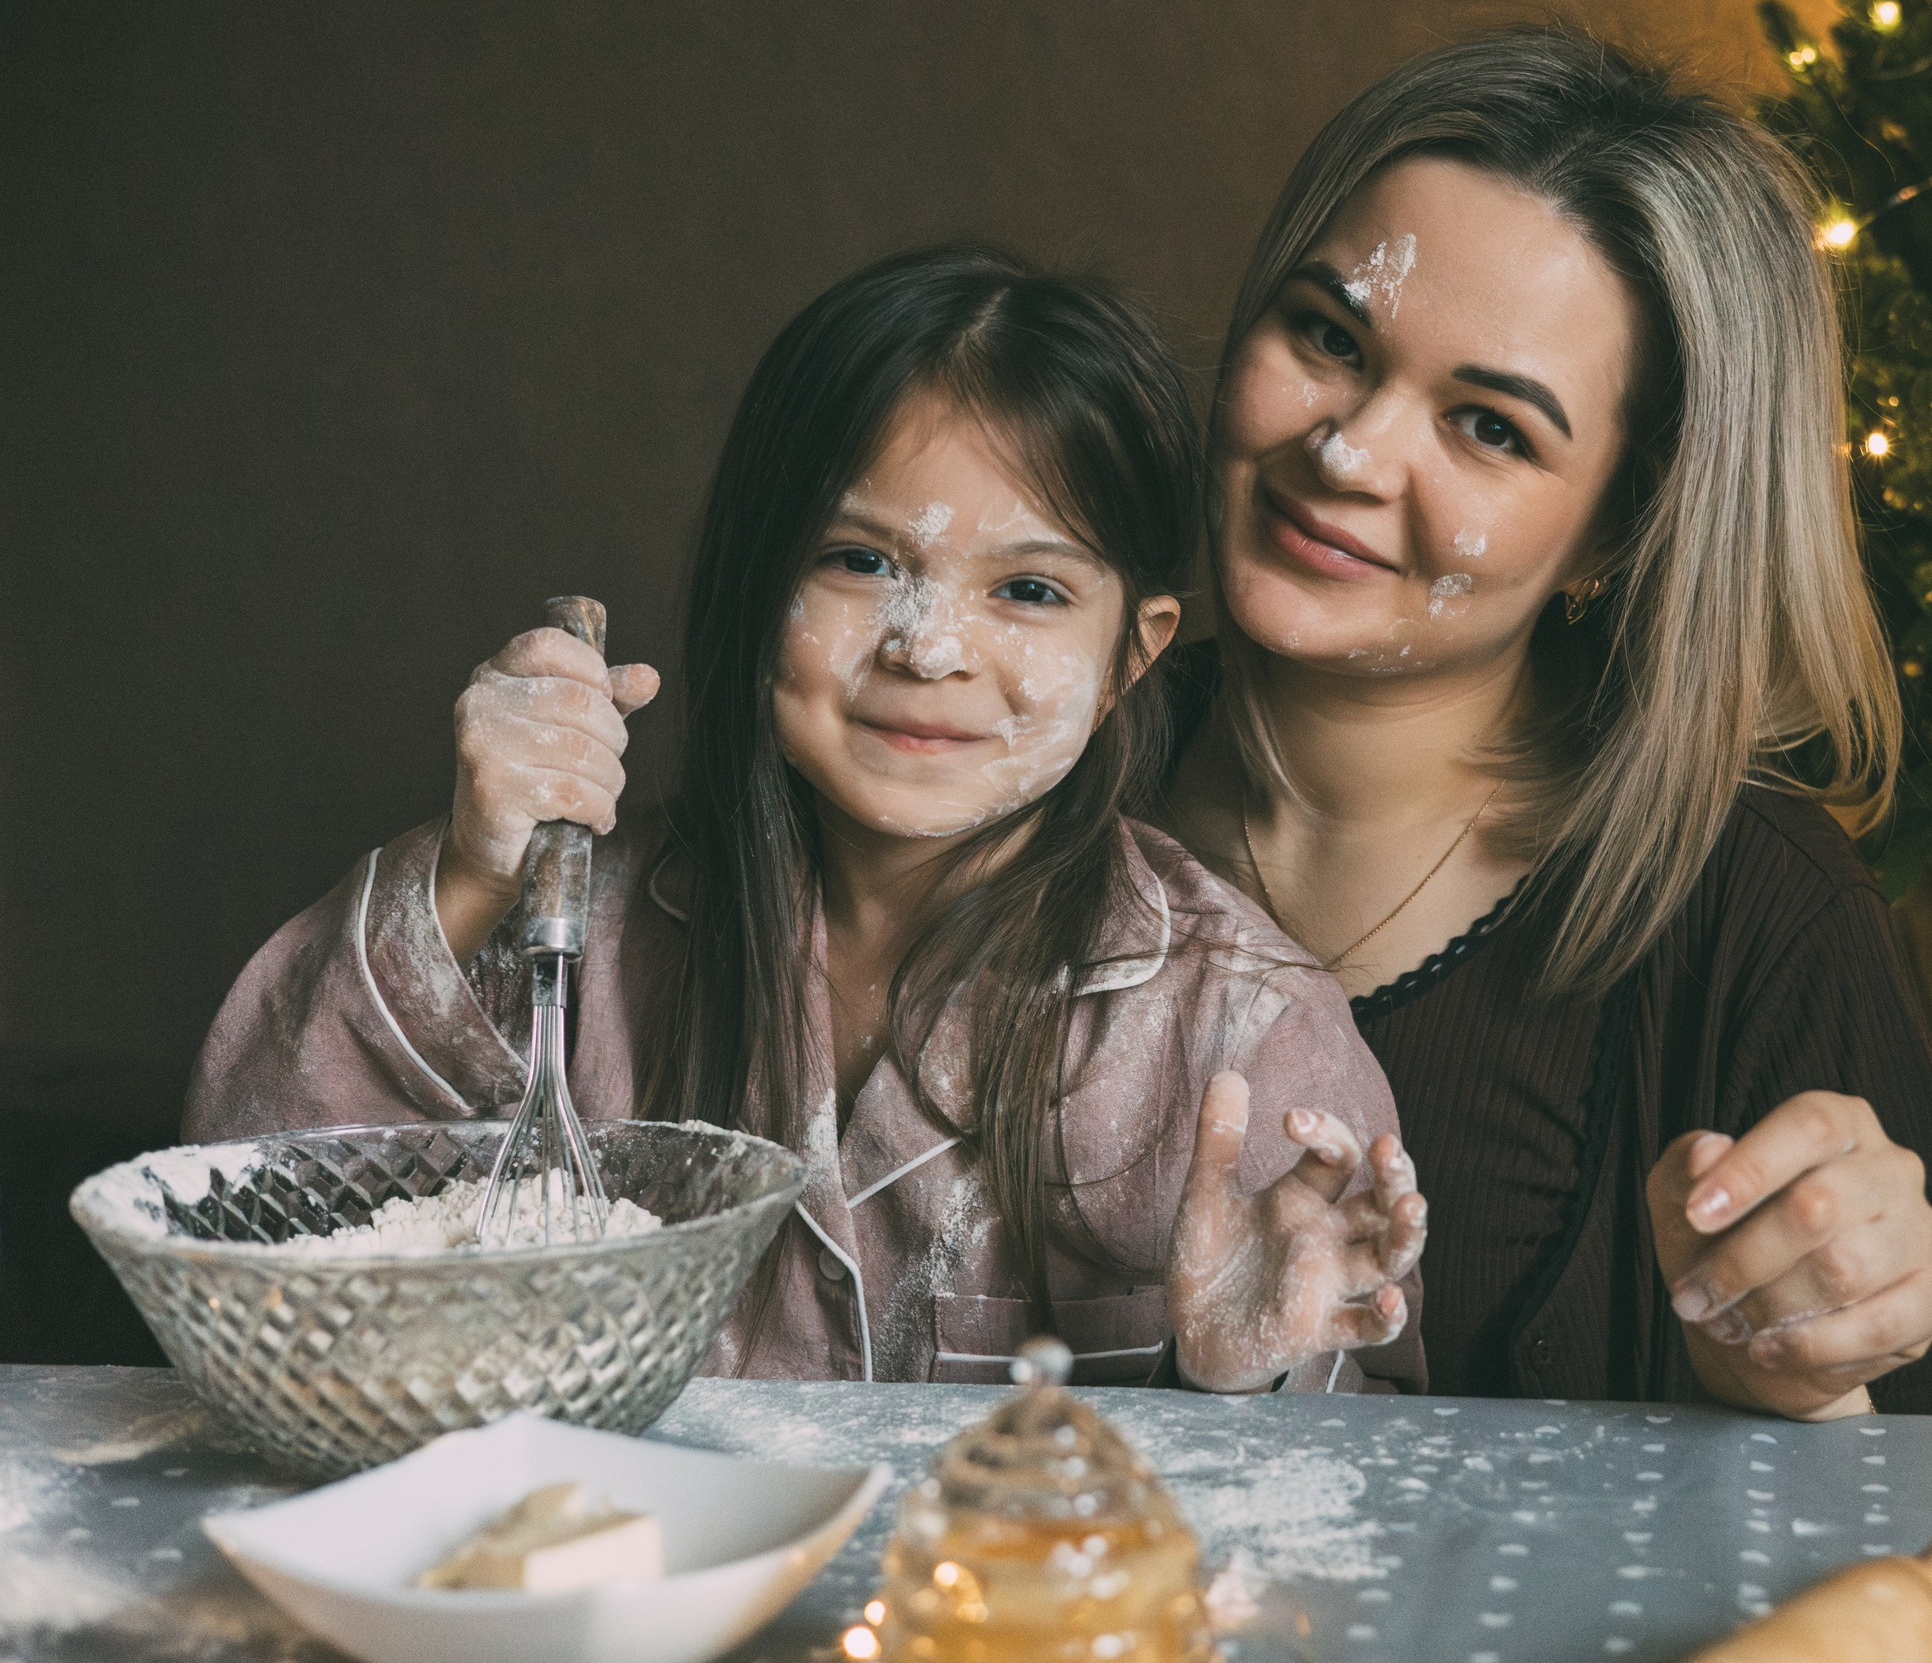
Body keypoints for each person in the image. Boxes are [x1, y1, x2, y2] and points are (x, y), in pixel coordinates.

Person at [184, 244, 1426, 1394]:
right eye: (862, 560)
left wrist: (1245, 1383)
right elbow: (248, 1246)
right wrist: (465, 877)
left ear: (1129, 657)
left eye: (1031, 588)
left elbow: (1375, 1512)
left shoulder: (1244, 1031)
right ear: (754, 580)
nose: (930, 648)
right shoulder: (566, 934)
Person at [1156, 28, 1932, 1416]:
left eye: (1490, 427)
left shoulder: (1756, 909)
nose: (1350, 453)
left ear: (1622, 522)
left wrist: (1808, 1379)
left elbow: (1921, 1525)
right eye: (1327, 334)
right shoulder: (1023, 775)